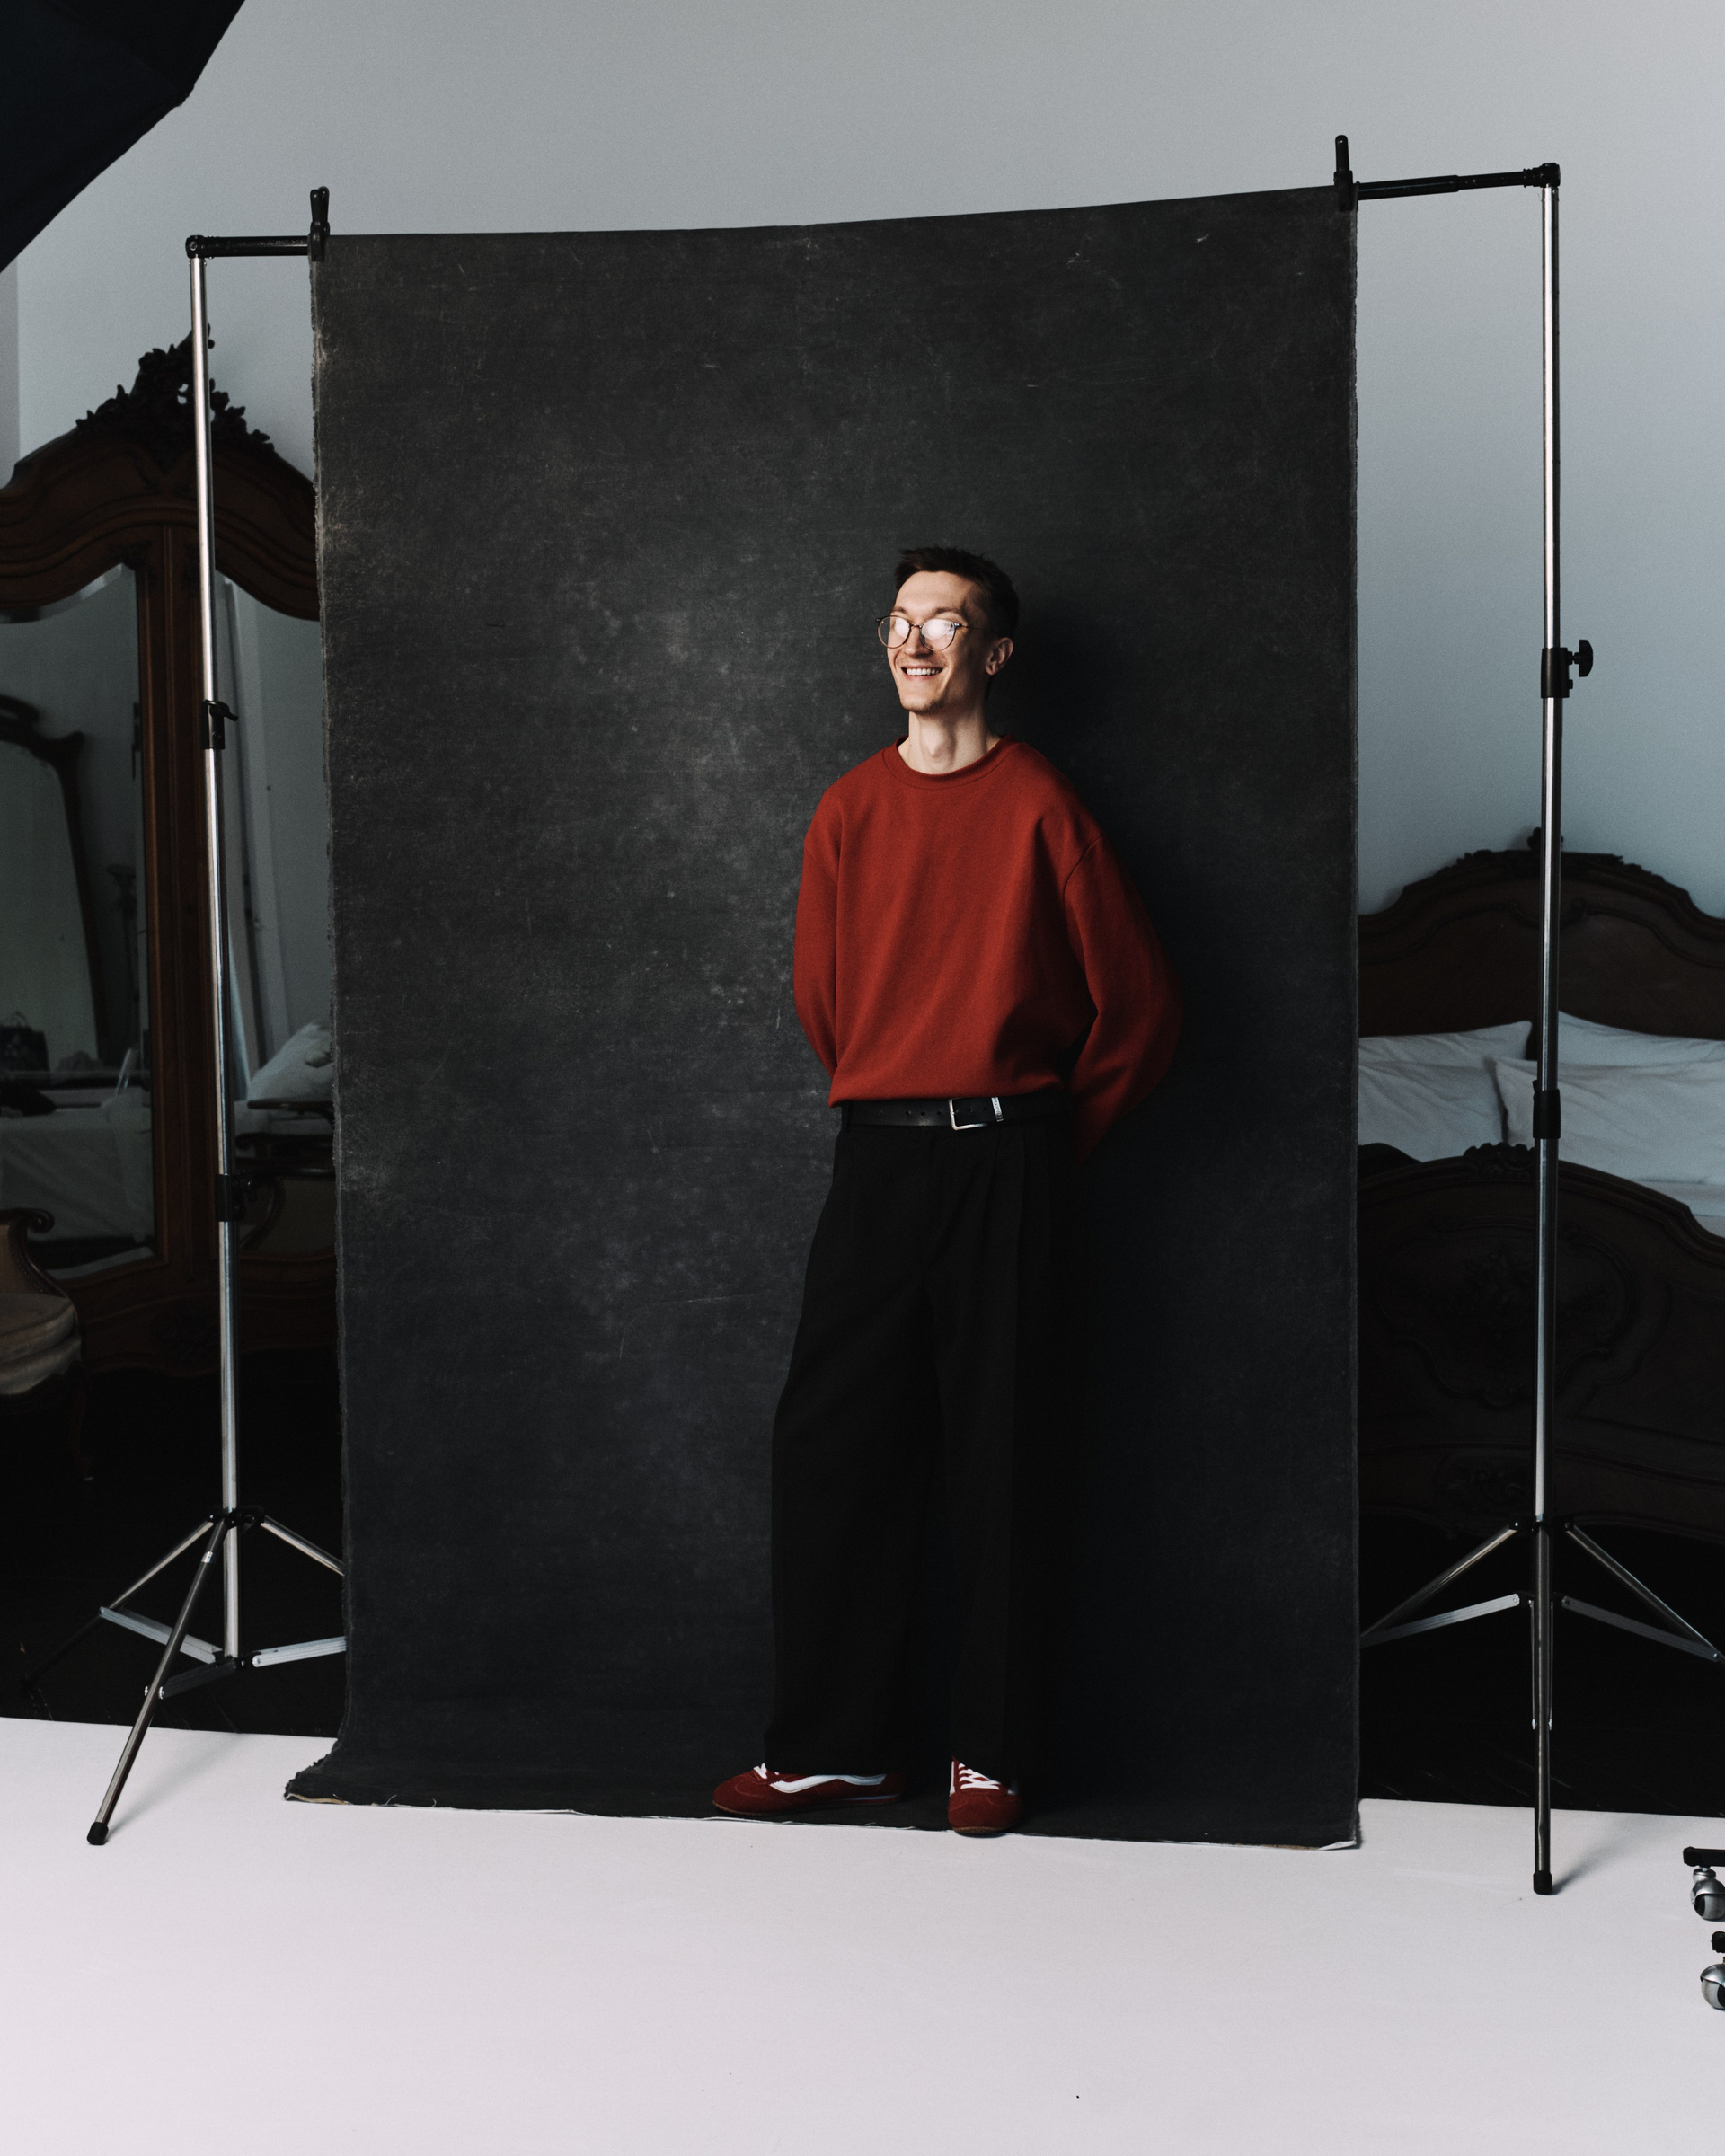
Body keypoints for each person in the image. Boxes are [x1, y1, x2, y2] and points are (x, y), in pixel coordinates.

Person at [712, 546, 1181, 1834]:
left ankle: (995, 1751)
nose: (912, 643)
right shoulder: (849, 809)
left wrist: (1041, 1147)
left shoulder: (1042, 805)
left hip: (1012, 1156)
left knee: (1007, 1455)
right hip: (879, 1158)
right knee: (832, 1450)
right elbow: (824, 1001)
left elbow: (1139, 1010)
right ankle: (837, 1748)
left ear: (996, 653)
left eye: (945, 623)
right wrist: (896, 1097)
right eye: (898, 622)